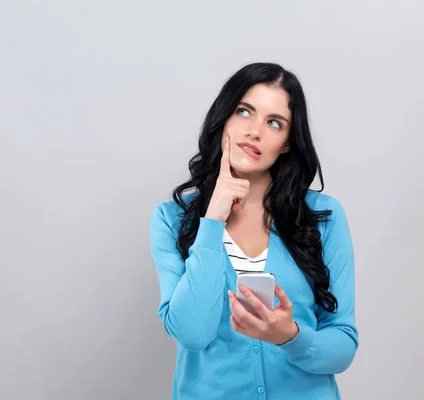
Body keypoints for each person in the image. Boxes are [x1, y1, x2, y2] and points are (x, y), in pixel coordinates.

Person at [149, 62, 358, 400]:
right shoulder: (172, 219)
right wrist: (213, 221)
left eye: (274, 123)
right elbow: (191, 333)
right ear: (224, 118)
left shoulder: (324, 216)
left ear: (288, 142)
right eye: (245, 112)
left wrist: (290, 335)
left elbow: (343, 345)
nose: (255, 131)